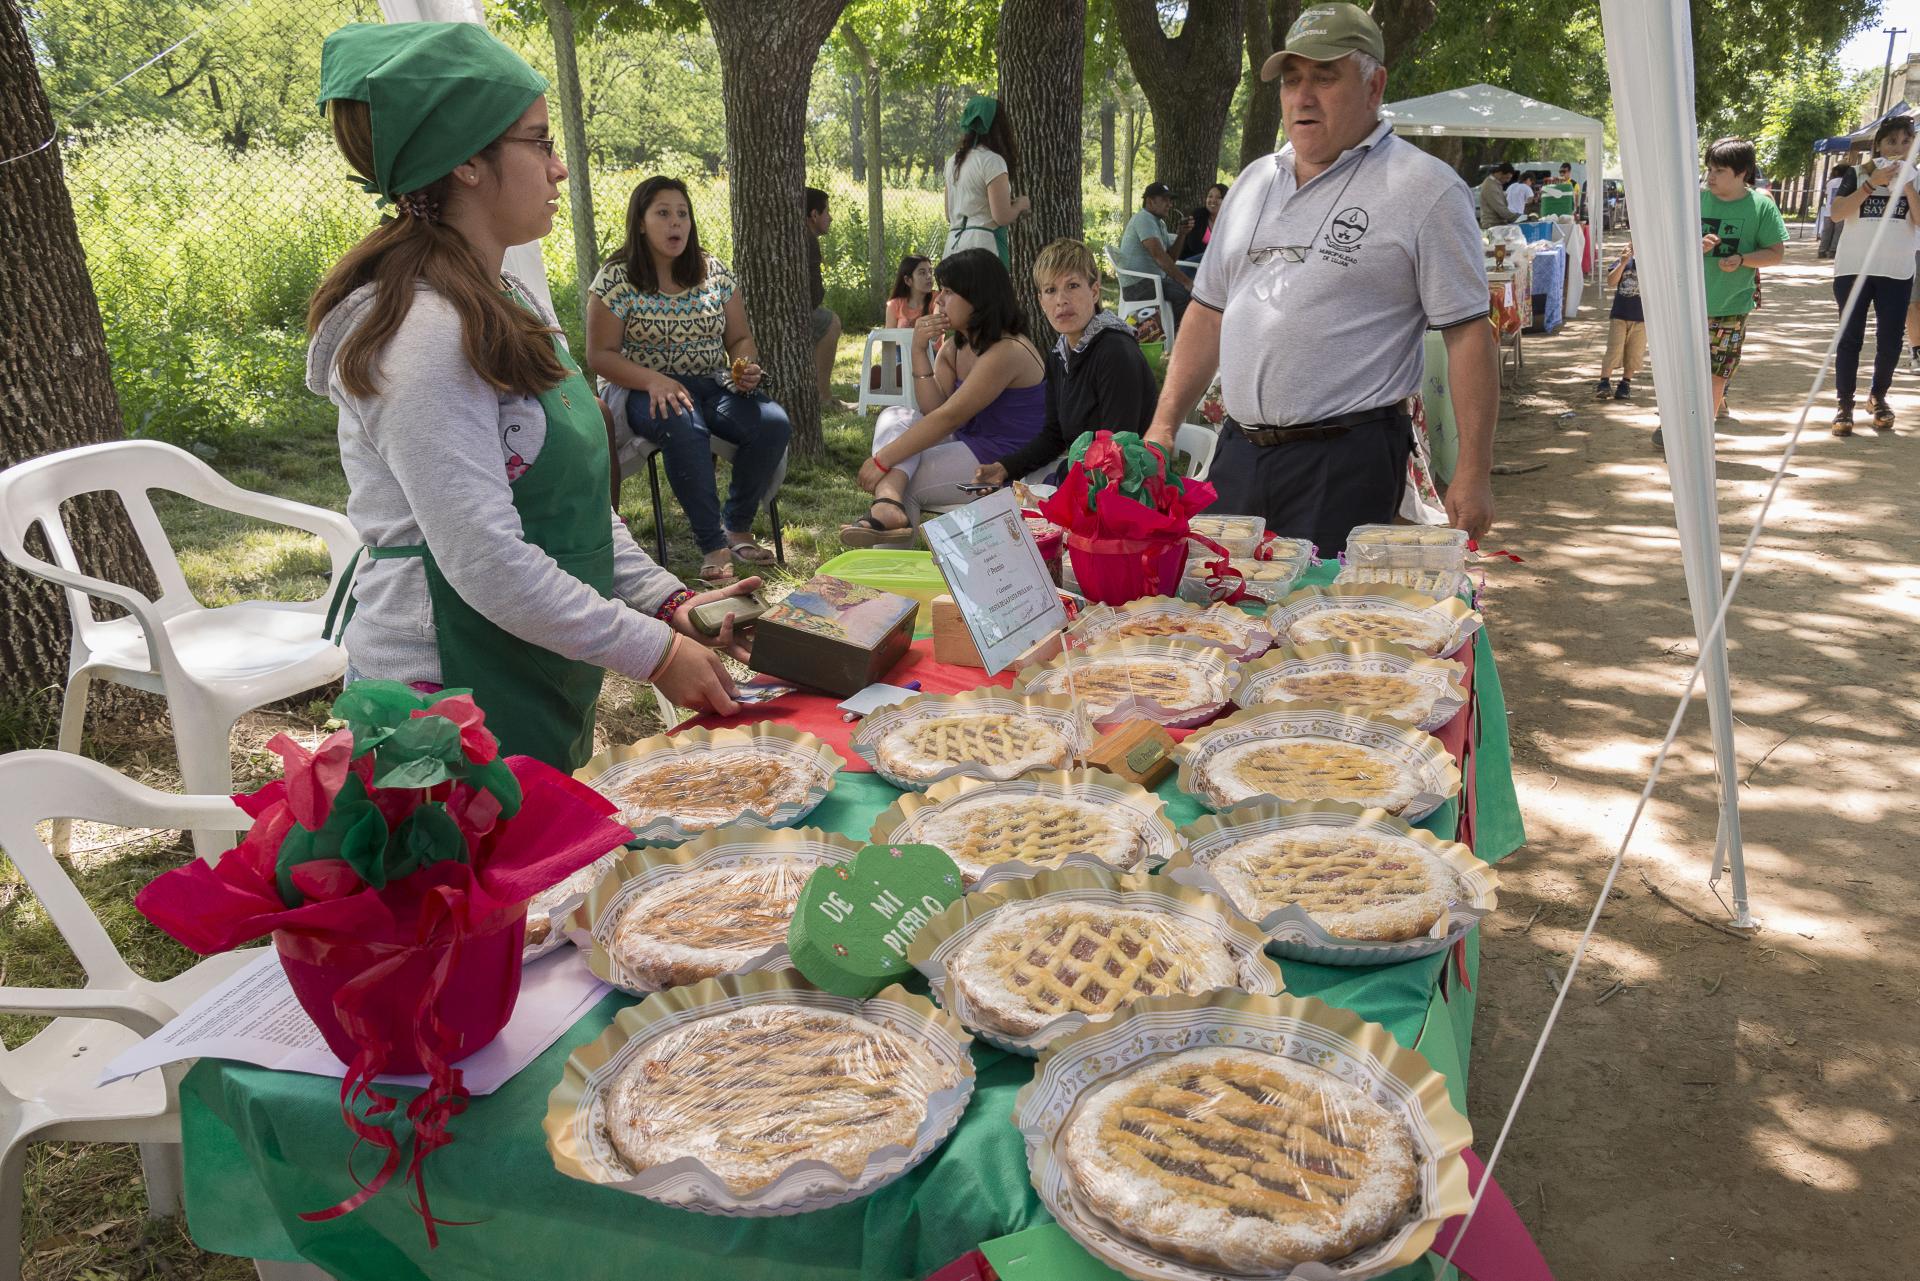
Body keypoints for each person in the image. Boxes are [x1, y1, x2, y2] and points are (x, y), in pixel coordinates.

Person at [307, 22, 752, 771]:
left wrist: (671, 602)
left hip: (524, 659)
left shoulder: (504, 297)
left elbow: (571, 505)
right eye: (539, 143)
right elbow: (485, 562)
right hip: (445, 698)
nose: (557, 169)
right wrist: (654, 652)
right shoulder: (421, 333)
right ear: (468, 163)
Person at [1143, 2, 1498, 553]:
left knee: (1321, 624)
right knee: (1224, 614)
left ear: (1375, 85)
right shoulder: (1253, 182)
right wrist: (1165, 423)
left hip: (1346, 459)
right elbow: (1209, 310)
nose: (1302, 97)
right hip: (1238, 451)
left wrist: (1474, 470)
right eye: (1291, 80)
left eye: (1324, 77)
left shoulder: (1425, 188)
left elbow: (1469, 334)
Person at [586, 175, 791, 584]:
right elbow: (600, 355)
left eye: (682, 214)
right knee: (682, 422)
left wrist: (744, 366)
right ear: (641, 222)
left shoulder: (712, 270)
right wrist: (654, 381)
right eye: (663, 213)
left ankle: (737, 525)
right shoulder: (616, 278)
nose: (675, 223)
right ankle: (713, 545)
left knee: (772, 422)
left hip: (712, 382)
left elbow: (739, 337)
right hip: (640, 387)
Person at [842, 249, 1047, 544]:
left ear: (978, 297)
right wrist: (917, 350)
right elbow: (932, 408)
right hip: (970, 443)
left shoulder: (1007, 350)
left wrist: (883, 460)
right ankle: (888, 503)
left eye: (949, 292)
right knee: (895, 415)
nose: (938, 300)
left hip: (1006, 459)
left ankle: (892, 571)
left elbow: (949, 417)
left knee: (904, 481)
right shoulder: (955, 348)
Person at [971, 239, 1159, 488]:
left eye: (1072, 286)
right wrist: (1005, 467)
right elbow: (1055, 435)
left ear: (1094, 291)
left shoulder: (1115, 352)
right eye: (1050, 290)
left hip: (1126, 489)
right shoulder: (1060, 355)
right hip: (1088, 478)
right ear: (1040, 301)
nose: (1061, 300)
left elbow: (1119, 449)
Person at [1825, 116, 1920, 436]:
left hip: (1896, 271)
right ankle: (1845, 405)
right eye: (1891, 141)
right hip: (1854, 269)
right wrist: (1871, 183)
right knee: (1850, 338)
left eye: (1906, 141)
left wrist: (1907, 186)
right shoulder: (1856, 173)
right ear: (1878, 145)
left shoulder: (1917, 178)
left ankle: (1878, 397)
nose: (1898, 148)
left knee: (1890, 341)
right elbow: (1837, 213)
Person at [1695, 136, 1786, 432]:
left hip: (1731, 306)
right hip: (1688, 304)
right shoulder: (1693, 200)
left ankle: (1700, 432)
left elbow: (1775, 254)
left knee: (1718, 371)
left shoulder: (1761, 207)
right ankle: (1678, 422)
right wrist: (1694, 247)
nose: (1710, 176)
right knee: (1684, 368)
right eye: (1709, 168)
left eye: (1719, 170)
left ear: (1742, 173)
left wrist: (1742, 258)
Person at [942, 95, 1028, 264]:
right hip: (983, 249)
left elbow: (948, 214)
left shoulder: (952, 161)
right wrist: (1021, 204)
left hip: (952, 247)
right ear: (999, 127)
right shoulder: (992, 161)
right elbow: (1001, 217)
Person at [1115, 182, 1196, 329]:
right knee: (1184, 293)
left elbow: (1170, 259)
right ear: (1150, 201)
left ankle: (1173, 333)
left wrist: (1182, 234)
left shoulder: (1159, 223)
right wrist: (1186, 282)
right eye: (1165, 200)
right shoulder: (1144, 219)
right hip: (1138, 285)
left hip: (1151, 282)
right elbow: (1159, 257)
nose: (1170, 204)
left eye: (1171, 200)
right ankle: (1177, 336)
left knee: (1186, 291)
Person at [805, 186, 845, 407]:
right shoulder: (808, 240)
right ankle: (823, 396)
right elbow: (813, 295)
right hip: (798, 313)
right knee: (831, 322)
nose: (830, 217)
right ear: (813, 215)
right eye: (826, 212)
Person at [1594, 241, 1643, 400]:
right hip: (1620, 315)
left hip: (1642, 318)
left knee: (1634, 352)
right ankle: (1604, 382)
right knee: (1614, 348)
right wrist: (1622, 262)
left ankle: (1625, 383)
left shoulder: (1655, 265)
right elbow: (1611, 281)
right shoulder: (1624, 262)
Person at [1171, 183, 1231, 261]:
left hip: (1213, 263)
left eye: (1218, 197)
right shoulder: (1198, 215)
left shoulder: (1228, 221)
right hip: (1189, 262)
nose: (1213, 200)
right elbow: (1194, 245)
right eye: (1210, 196)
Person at [885, 255, 935, 328]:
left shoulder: (938, 299)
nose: (929, 276)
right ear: (908, 280)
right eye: (922, 273)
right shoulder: (894, 305)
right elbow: (888, 337)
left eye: (930, 271)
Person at [1478, 163, 1519, 229]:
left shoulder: (1496, 184)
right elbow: (1500, 208)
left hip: (1498, 224)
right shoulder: (1490, 186)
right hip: (1492, 224)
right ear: (1500, 173)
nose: (1507, 181)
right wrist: (1517, 217)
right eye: (1507, 177)